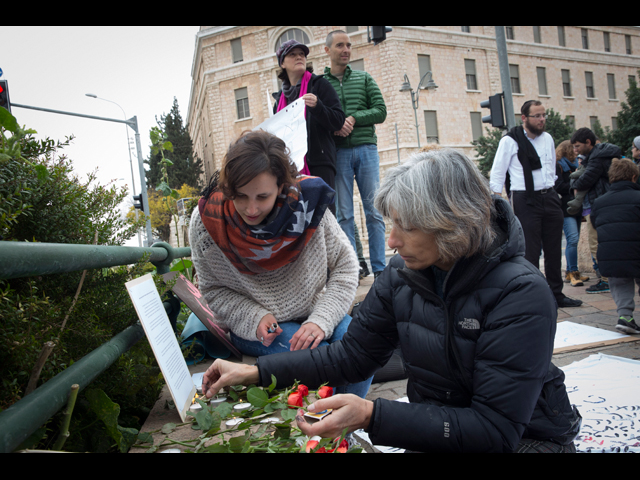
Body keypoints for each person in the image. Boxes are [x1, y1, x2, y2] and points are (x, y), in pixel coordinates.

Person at [201, 149, 581, 453]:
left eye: (407, 227)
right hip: (442, 431)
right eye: (390, 224)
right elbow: (349, 356)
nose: (393, 241)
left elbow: (495, 432)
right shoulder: (402, 275)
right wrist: (257, 373)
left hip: (527, 439)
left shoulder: (520, 293)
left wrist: (371, 415)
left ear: (452, 224)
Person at [189, 129, 372, 398]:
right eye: (240, 196)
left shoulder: (309, 207)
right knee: (314, 356)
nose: (251, 209)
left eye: (262, 197)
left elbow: (346, 265)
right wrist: (254, 316)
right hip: (257, 328)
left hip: (315, 313)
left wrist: (321, 320)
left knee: (360, 345)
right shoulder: (207, 223)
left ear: (280, 186)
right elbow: (214, 290)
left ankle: (340, 429)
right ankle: (326, 428)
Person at [490, 100, 582, 308]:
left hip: (549, 195)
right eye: (537, 116)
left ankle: (556, 294)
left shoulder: (548, 138)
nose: (542, 120)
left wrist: (553, 192)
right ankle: (532, 296)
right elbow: (497, 174)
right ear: (524, 118)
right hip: (524, 197)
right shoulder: (510, 141)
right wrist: (496, 203)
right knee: (530, 252)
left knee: (553, 250)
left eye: (543, 116)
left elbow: (550, 170)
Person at [323, 30, 388, 278]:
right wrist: (335, 125)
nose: (346, 49)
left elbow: (380, 111)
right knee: (344, 216)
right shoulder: (320, 83)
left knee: (374, 212)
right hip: (337, 153)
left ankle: (381, 270)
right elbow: (316, 118)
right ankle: (353, 268)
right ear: (328, 50)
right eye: (340, 45)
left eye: (349, 45)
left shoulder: (363, 78)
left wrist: (353, 117)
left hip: (366, 150)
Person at [273, 39, 345, 201]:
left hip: (320, 162)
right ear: (282, 63)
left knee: (325, 215)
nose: (299, 57)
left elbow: (338, 120)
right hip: (292, 168)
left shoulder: (320, 85)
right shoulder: (279, 100)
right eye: (292, 54)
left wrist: (318, 107)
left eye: (302, 54)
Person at [591, 158, 640, 334]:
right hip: (637, 252)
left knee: (619, 281)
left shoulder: (599, 201)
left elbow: (596, 224)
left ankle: (625, 317)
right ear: (634, 177)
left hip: (611, 255)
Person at [571, 127, 622, 294]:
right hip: (600, 204)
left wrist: (574, 184)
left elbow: (585, 180)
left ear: (588, 142)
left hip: (596, 205)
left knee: (596, 243)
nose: (576, 150)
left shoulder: (596, 158)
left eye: (578, 146)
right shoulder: (599, 155)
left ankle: (606, 279)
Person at [555, 140, 589, 287]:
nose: (576, 151)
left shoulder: (577, 165)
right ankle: (574, 272)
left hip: (577, 207)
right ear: (567, 150)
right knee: (573, 239)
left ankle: (570, 272)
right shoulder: (559, 165)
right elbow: (558, 186)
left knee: (573, 240)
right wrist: (574, 182)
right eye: (573, 148)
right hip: (565, 207)